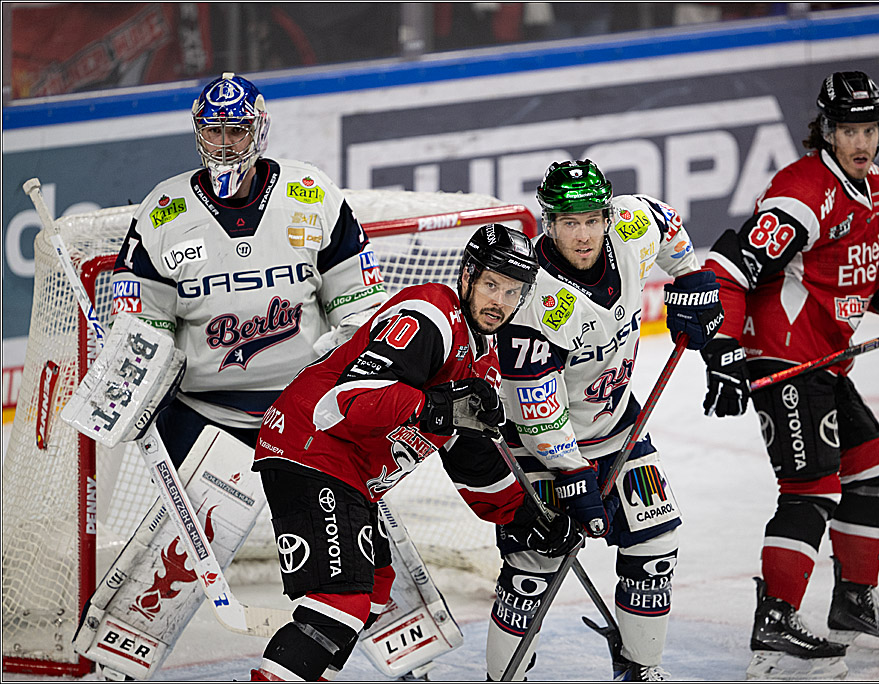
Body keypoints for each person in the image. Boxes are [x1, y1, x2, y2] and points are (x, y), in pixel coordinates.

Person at [74, 72, 389, 679]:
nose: (223, 142)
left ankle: (404, 651)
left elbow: (357, 307)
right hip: (203, 412)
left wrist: (356, 386)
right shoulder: (165, 210)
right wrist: (135, 382)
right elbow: (145, 325)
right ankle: (118, 661)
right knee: (177, 555)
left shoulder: (310, 194)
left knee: (356, 531)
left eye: (236, 129)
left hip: (302, 412)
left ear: (259, 129)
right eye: (211, 130)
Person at [700, 71, 879, 680]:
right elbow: (729, 265)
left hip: (824, 360)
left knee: (873, 465)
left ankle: (853, 603)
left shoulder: (874, 186)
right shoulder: (802, 191)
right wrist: (722, 348)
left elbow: (871, 278)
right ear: (826, 130)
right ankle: (775, 617)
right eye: (848, 129)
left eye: (870, 129)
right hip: (783, 359)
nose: (860, 142)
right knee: (811, 490)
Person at [249, 224, 585, 682]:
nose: (499, 302)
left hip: (348, 475)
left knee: (372, 592)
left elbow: (473, 461)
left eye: (512, 292)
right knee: (341, 599)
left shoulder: (484, 360)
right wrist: (438, 406)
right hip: (312, 450)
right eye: (491, 285)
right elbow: (350, 403)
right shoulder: (429, 314)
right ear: (467, 277)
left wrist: (530, 518)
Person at [485, 159, 725, 681]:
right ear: (547, 223)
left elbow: (669, 225)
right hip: (538, 447)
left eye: (592, 219)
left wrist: (692, 278)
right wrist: (573, 476)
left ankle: (641, 669)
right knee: (535, 567)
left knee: (656, 545)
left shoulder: (631, 225)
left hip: (616, 426)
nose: (584, 233)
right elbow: (538, 418)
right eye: (570, 222)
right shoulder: (532, 300)